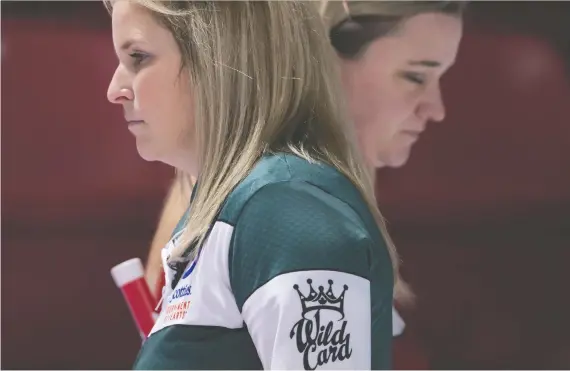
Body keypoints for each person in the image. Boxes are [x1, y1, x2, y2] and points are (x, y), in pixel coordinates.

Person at [143, 0, 466, 361]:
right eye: (416, 76)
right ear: (323, 59)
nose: (436, 108)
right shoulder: (281, 208)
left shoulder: (317, 205)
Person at [106, 0, 397, 369]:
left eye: (139, 57)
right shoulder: (245, 205)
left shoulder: (284, 209)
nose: (115, 90)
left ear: (219, 59)